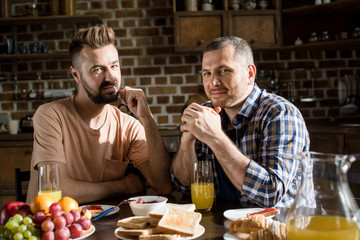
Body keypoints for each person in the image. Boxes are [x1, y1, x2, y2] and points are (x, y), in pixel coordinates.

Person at [27, 25, 173, 204]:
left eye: (114, 66)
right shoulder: (51, 115)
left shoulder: (128, 125)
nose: (110, 77)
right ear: (76, 75)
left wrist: (147, 118)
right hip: (56, 227)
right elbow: (57, 192)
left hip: (105, 227)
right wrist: (124, 186)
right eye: (97, 69)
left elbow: (164, 186)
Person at [171, 36, 310, 208]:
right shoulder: (205, 113)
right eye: (207, 73)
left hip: (276, 227)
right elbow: (183, 185)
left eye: (224, 71)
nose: (213, 82)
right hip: (220, 226)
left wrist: (215, 137)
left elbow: (270, 193)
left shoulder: (279, 113)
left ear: (250, 74)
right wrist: (187, 140)